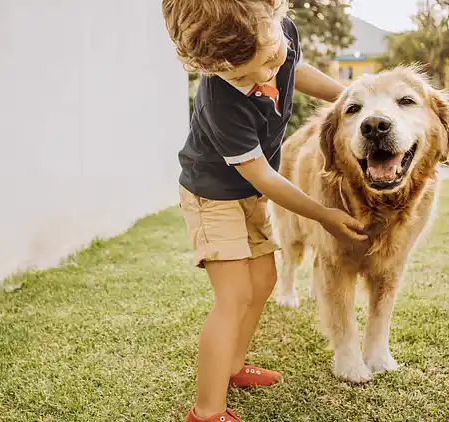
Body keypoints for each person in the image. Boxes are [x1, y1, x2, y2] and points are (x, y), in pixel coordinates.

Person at [161, 1, 368, 421]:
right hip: (212, 194)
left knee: (265, 279)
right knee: (234, 295)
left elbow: (296, 69)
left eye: (272, 58)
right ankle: (206, 412)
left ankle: (233, 366)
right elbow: (265, 178)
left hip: (248, 192)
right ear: (217, 68)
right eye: (244, 75)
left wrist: (350, 99)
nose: (266, 74)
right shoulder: (221, 102)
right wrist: (322, 215)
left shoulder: (278, 32)